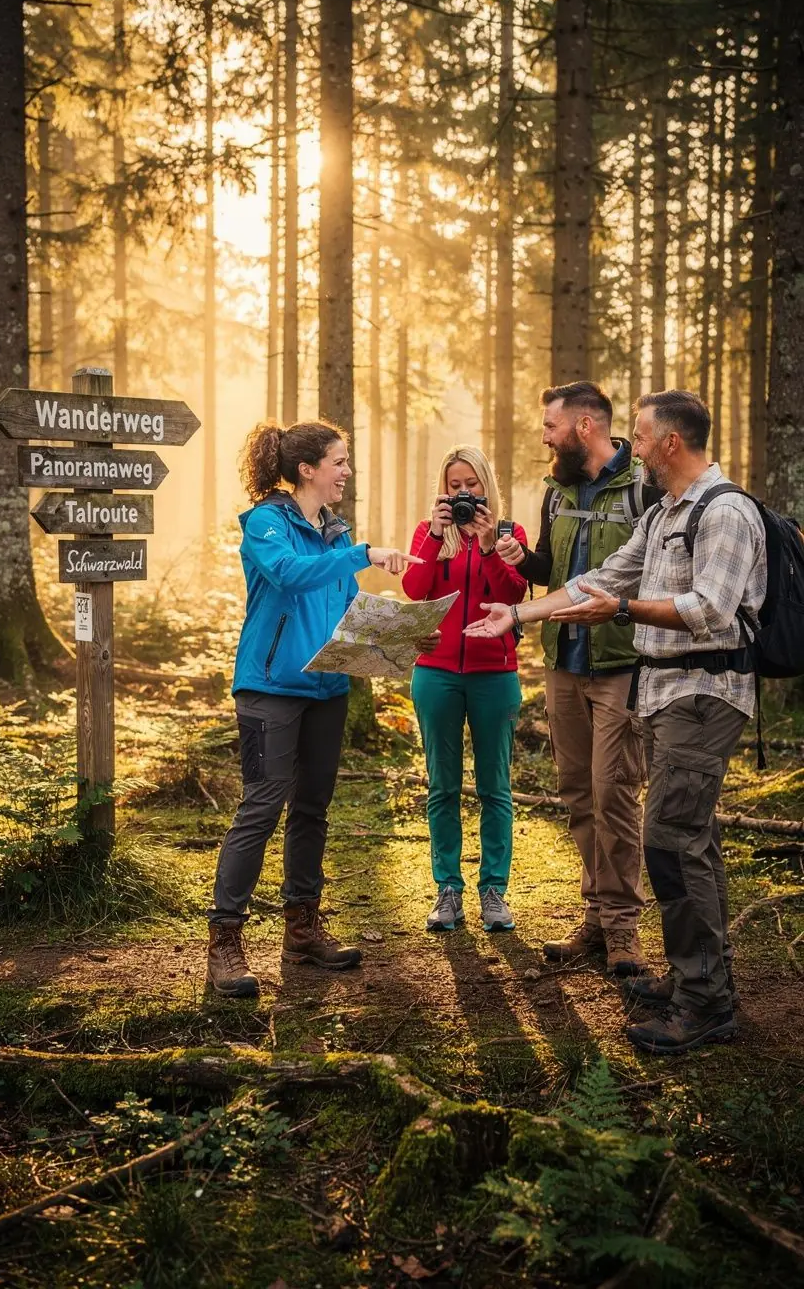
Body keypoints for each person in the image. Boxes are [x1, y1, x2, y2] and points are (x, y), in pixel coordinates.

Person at [467, 391, 767, 1055]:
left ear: (669, 443)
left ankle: (704, 1005)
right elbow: (599, 578)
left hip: (705, 693)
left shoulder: (727, 513)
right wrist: (517, 616)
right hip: (663, 696)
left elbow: (712, 609)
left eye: (641, 434)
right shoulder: (663, 514)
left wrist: (624, 611)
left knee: (667, 840)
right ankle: (705, 981)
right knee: (694, 841)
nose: (633, 443)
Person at [206, 419, 425, 997]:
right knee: (262, 805)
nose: (346, 472)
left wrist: (399, 632)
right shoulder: (266, 523)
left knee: (312, 808)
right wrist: (363, 553)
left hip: (327, 689)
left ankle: (302, 927)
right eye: (339, 462)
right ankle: (225, 939)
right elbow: (288, 576)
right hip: (269, 688)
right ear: (307, 470)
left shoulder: (333, 530)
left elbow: (343, 605)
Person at [493, 382, 661, 978]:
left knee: (614, 796)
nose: (544, 434)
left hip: (622, 663)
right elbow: (551, 567)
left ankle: (622, 930)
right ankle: (595, 919)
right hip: (563, 661)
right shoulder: (555, 491)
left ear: (585, 426)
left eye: (550, 425)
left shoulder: (644, 486)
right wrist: (522, 561)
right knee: (577, 795)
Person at [403, 445, 529, 933]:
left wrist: (490, 546)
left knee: (495, 786)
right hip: (435, 673)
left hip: (495, 674)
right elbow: (415, 591)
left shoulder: (507, 534)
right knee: (443, 786)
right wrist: (436, 536)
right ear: (444, 488)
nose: (462, 493)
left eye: (470, 484)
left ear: (485, 486)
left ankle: (494, 891)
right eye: (454, 485)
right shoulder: (428, 532)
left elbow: (514, 595)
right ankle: (448, 890)